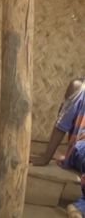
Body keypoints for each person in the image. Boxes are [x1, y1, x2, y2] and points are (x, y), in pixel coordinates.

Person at [31, 78, 85, 218]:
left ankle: (80, 207)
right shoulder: (79, 87)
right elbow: (62, 124)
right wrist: (46, 158)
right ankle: (80, 207)